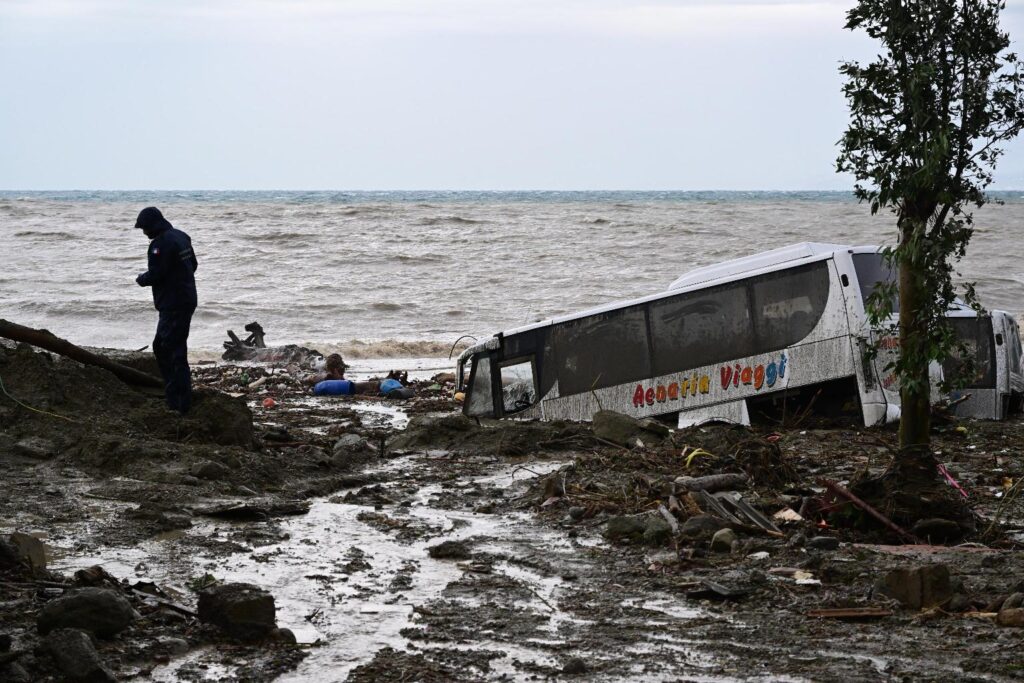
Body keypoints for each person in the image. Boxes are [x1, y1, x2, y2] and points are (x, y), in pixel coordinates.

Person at [134, 207, 198, 414]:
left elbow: (156, 274)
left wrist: (141, 279)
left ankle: (178, 402)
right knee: (169, 348)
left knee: (169, 350)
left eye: (144, 228)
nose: (144, 233)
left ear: (153, 225)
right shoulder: (181, 236)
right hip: (186, 299)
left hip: (173, 304)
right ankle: (180, 397)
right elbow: (193, 265)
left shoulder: (159, 245)